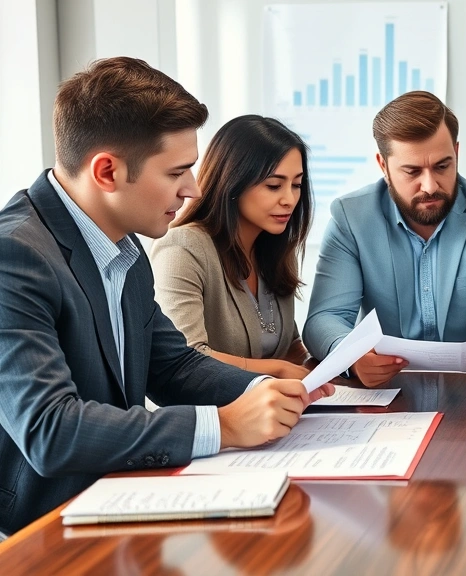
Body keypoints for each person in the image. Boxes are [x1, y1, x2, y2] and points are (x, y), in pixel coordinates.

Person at [0, 57, 333, 535]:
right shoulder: (14, 255)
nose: (193, 189)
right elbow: (50, 430)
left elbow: (173, 366)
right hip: (40, 530)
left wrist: (265, 392)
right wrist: (225, 425)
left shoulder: (126, 247)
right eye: (178, 172)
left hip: (122, 500)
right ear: (107, 172)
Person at [303, 91, 466, 387]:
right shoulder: (351, 219)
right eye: (412, 171)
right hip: (388, 392)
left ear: (456, 153)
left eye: (442, 166)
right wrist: (352, 358)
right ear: (383, 166)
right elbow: (325, 319)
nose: (430, 186)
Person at [152, 115, 313, 380]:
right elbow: (186, 356)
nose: (289, 199)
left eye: (296, 185)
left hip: (275, 403)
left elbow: (289, 347)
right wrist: (277, 369)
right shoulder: (183, 248)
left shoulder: (276, 250)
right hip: (216, 406)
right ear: (233, 182)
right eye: (274, 186)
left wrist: (321, 365)